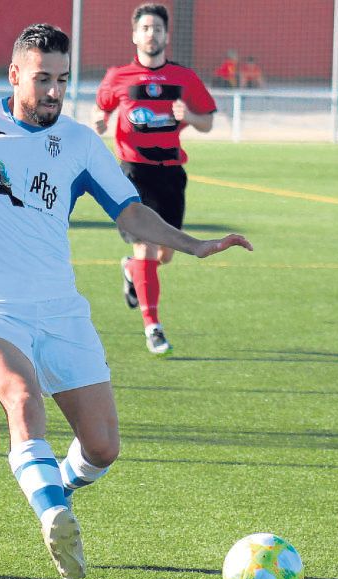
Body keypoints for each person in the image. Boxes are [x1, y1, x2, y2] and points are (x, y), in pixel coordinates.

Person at [0, 23, 251, 579]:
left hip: (61, 310)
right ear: (14, 76)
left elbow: (128, 213)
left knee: (103, 447)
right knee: (22, 394)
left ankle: (58, 485)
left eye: (62, 79)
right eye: (42, 80)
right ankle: (53, 514)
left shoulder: (80, 142)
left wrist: (194, 244)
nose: (54, 91)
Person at [93, 4, 220, 355]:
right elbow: (100, 108)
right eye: (145, 28)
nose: (152, 34)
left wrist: (190, 116)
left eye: (158, 28)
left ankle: (133, 272)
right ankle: (153, 327)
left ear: (166, 35)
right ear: (135, 35)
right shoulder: (118, 76)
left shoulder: (184, 77)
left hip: (171, 176)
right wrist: (100, 121)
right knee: (145, 246)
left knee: (164, 254)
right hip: (133, 173)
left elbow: (208, 122)